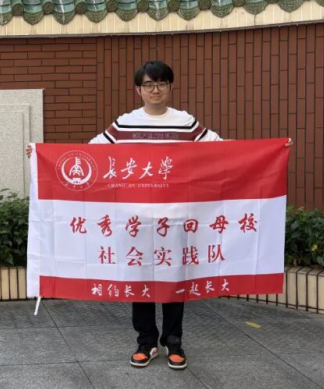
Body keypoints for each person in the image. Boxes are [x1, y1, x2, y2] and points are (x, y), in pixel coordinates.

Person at [27, 60, 292, 370]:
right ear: (138, 90)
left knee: (174, 278)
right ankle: (146, 342)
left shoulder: (185, 124)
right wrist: (42, 155)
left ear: (170, 87)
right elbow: (91, 153)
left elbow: (222, 151)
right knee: (139, 279)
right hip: (135, 221)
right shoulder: (124, 125)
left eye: (162, 83)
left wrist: (272, 149)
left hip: (176, 219)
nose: (155, 90)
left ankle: (173, 342)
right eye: (149, 84)